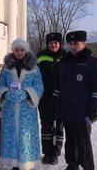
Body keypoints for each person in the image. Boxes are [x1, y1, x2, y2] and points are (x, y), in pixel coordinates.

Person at [58, 30, 97, 170]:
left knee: (84, 145)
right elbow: (60, 87)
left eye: (76, 43)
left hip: (83, 112)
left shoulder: (93, 62)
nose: (73, 46)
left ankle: (88, 167)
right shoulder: (65, 62)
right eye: (71, 43)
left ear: (84, 43)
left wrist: (93, 111)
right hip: (67, 111)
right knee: (70, 143)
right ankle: (72, 165)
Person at [0, 38, 44, 170]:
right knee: (11, 136)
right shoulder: (6, 68)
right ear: (13, 51)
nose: (19, 52)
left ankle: (26, 164)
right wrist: (6, 93)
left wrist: (27, 93)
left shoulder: (34, 68)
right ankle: (13, 164)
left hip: (26, 110)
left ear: (26, 51)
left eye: (22, 50)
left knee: (26, 137)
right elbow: (0, 85)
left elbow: (39, 86)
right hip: (10, 109)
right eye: (17, 50)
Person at [37, 32, 65, 165]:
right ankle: (47, 152)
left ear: (60, 44)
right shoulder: (41, 56)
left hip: (61, 97)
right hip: (44, 97)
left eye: (56, 43)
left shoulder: (65, 56)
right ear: (47, 44)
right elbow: (34, 74)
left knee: (58, 126)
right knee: (46, 125)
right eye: (51, 43)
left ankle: (55, 153)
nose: (53, 45)